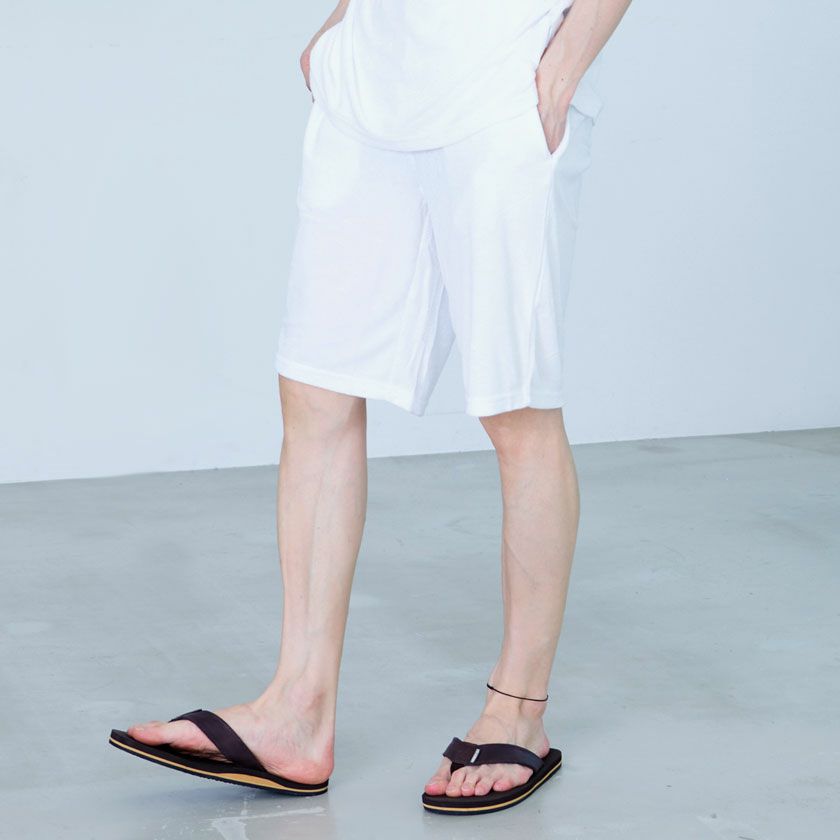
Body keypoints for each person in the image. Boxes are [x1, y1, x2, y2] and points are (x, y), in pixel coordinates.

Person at [109, 0, 633, 816]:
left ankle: (518, 714)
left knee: (516, 407)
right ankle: (297, 709)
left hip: (502, 76)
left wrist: (564, 65)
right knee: (315, 388)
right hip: (372, 83)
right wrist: (341, 22)